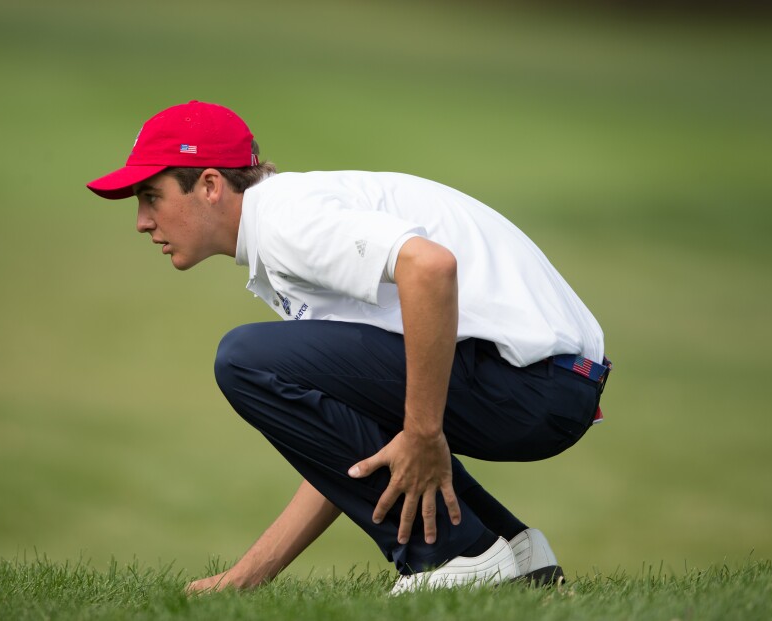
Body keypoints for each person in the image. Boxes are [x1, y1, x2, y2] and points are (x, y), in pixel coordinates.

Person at [86, 100, 610, 594]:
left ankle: (453, 557)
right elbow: (343, 450)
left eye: (151, 196)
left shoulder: (286, 222)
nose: (142, 220)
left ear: (209, 185)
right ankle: (514, 554)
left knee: (242, 358)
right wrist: (249, 575)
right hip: (551, 385)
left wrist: (423, 432)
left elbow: (429, 267)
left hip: (534, 383)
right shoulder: (286, 217)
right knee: (273, 368)